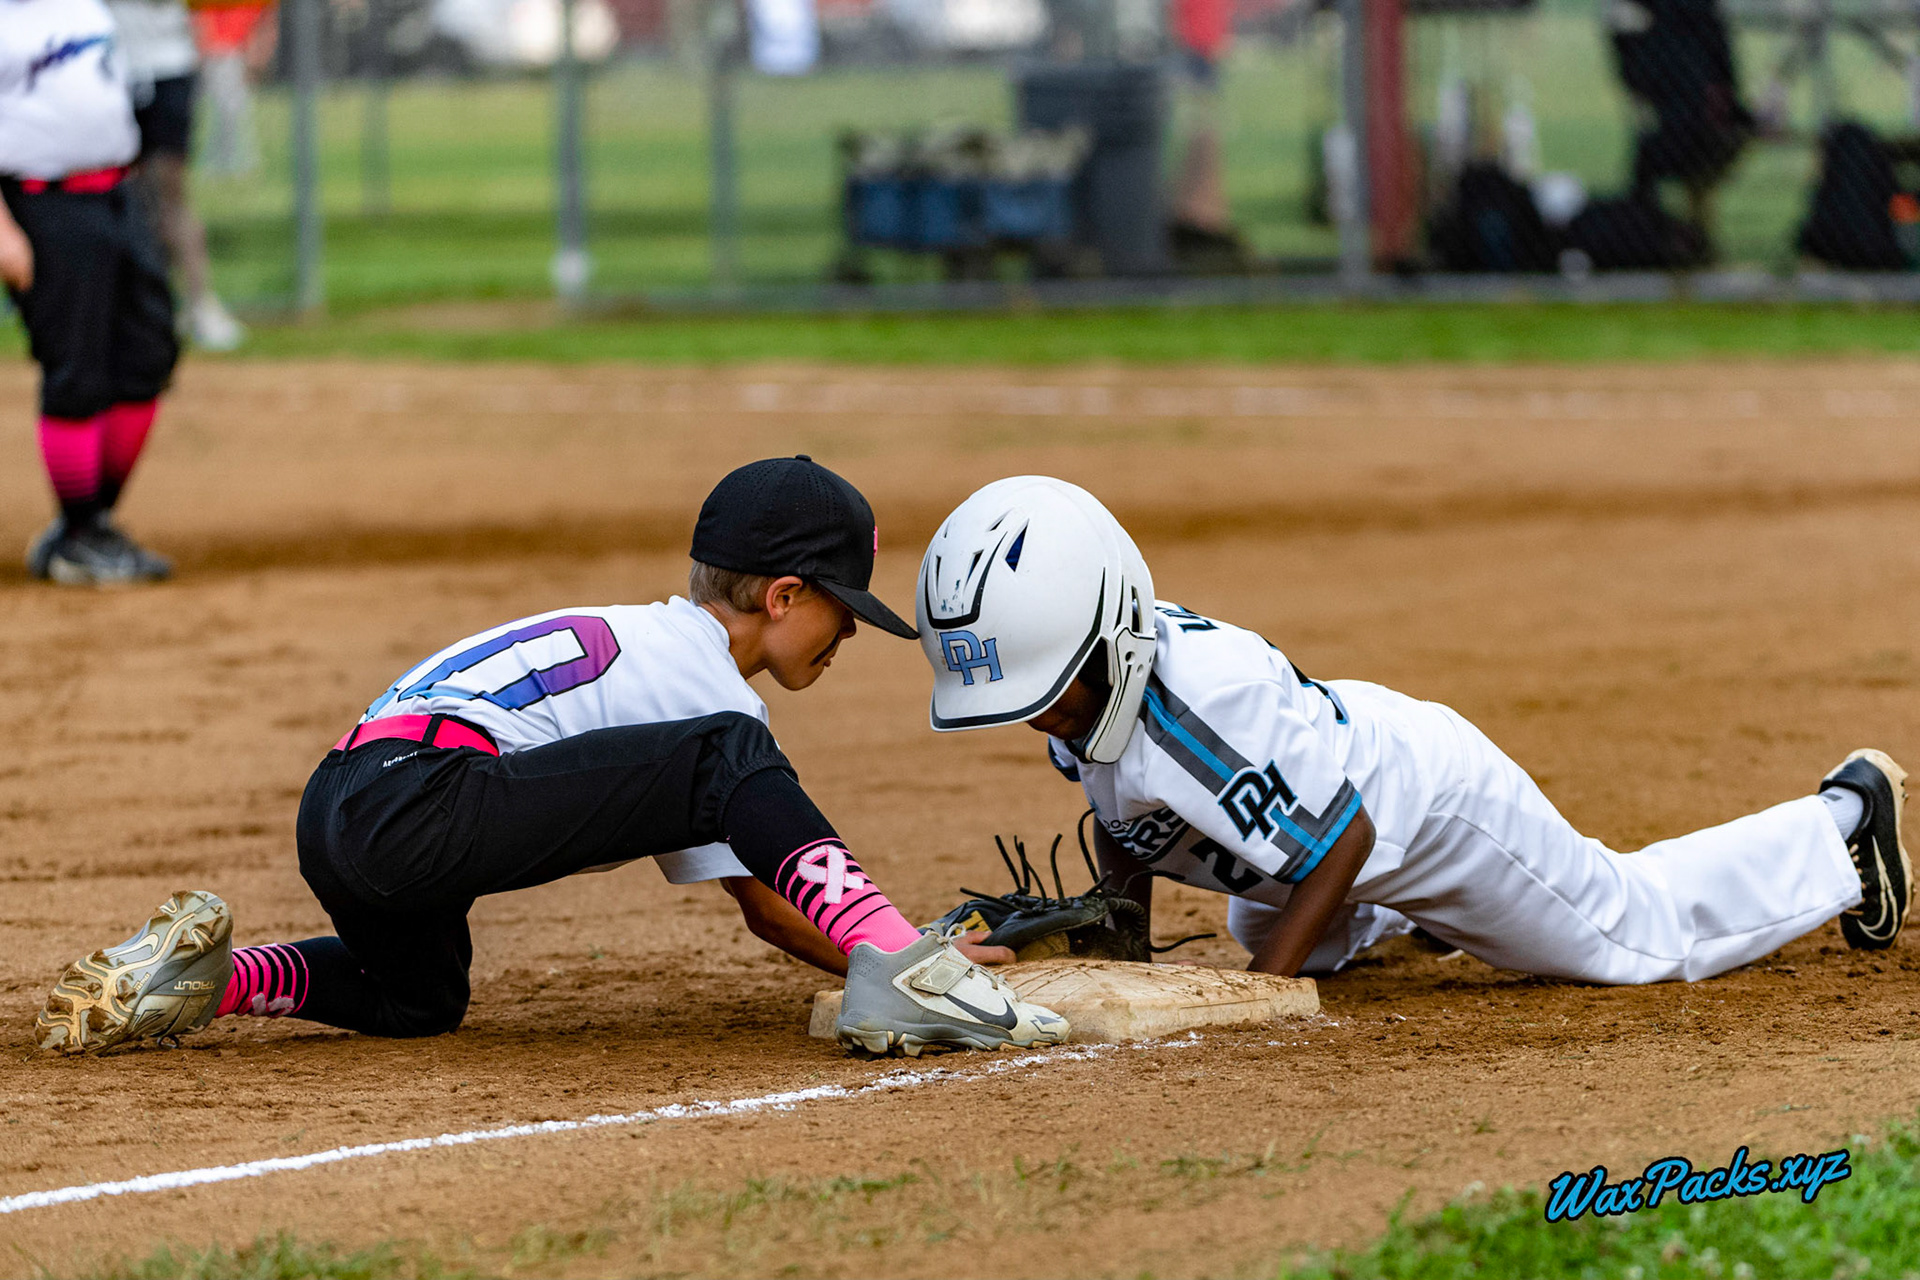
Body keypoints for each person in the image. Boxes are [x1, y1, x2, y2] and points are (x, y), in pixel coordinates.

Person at [37, 458, 1066, 1057]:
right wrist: (903, 951)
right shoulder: (706, 683)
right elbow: (765, 904)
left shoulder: (645, 639)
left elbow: (768, 889)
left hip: (347, 801)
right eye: (842, 610)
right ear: (784, 595)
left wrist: (880, 940)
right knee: (729, 751)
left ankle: (212, 979)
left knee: (419, 998)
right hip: (420, 799)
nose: (847, 636)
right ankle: (910, 971)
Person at [912, 476, 1910, 983]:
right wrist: (1119, 946)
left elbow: (1345, 836)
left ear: (1108, 637)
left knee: (1629, 935)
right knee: (1265, 916)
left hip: (1429, 814)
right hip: (1322, 803)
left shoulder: (1199, 706)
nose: (1039, 718)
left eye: (1046, 694)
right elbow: (1124, 815)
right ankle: (1419, 917)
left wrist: (1259, 1002)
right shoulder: (1092, 681)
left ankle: (1841, 827)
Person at [2, 0, 178, 584]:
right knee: (77, 366)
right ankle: (81, 535)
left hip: (117, 194)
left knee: (149, 353)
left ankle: (87, 525)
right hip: (42, 202)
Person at [109, 0, 246, 350]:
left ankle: (200, 304)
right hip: (114, 68)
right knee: (125, 197)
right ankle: (137, 308)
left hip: (169, 67)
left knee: (171, 196)